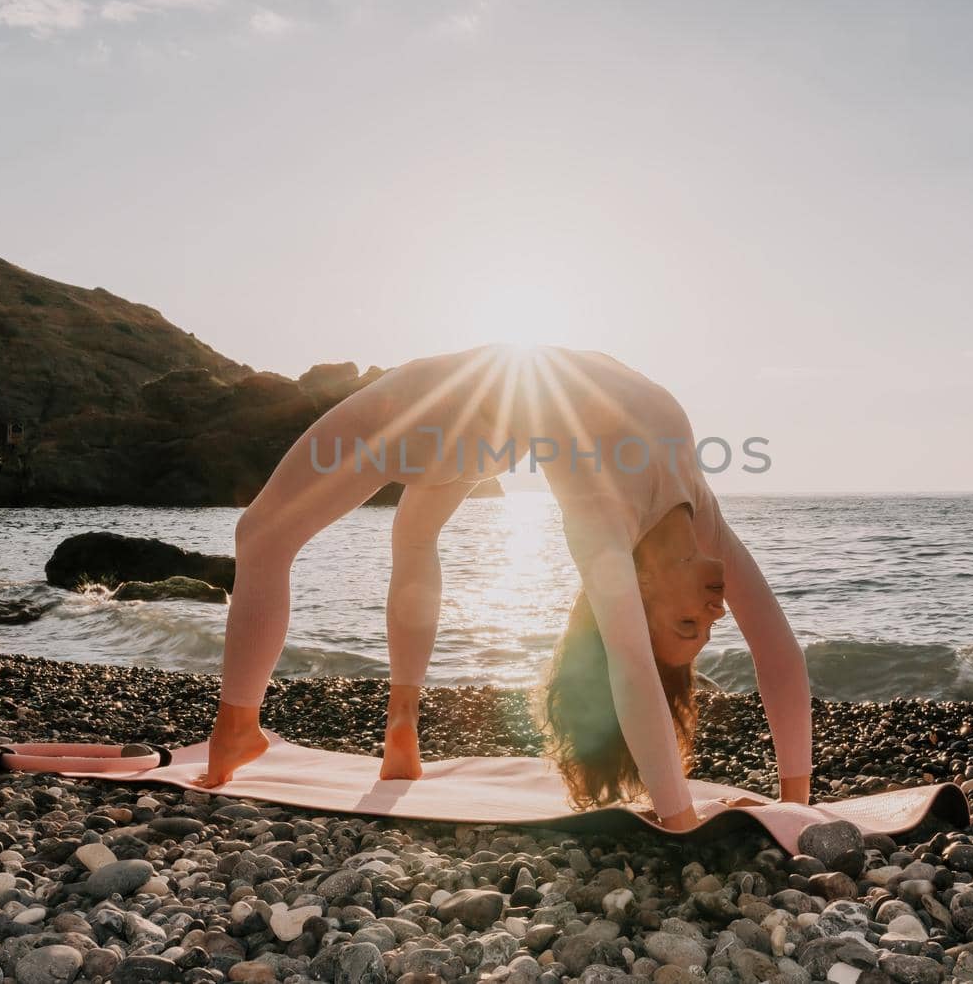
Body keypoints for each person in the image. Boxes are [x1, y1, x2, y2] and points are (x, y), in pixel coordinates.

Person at [192, 342, 812, 831]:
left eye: (688, 628)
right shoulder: (700, 516)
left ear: (641, 585)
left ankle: (238, 731)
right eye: (703, 629)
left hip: (428, 413)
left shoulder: (604, 520)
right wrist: (796, 803)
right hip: (484, 420)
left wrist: (680, 821)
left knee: (260, 537)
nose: (714, 614)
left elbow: (630, 666)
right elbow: (777, 649)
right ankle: (399, 735)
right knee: (411, 532)